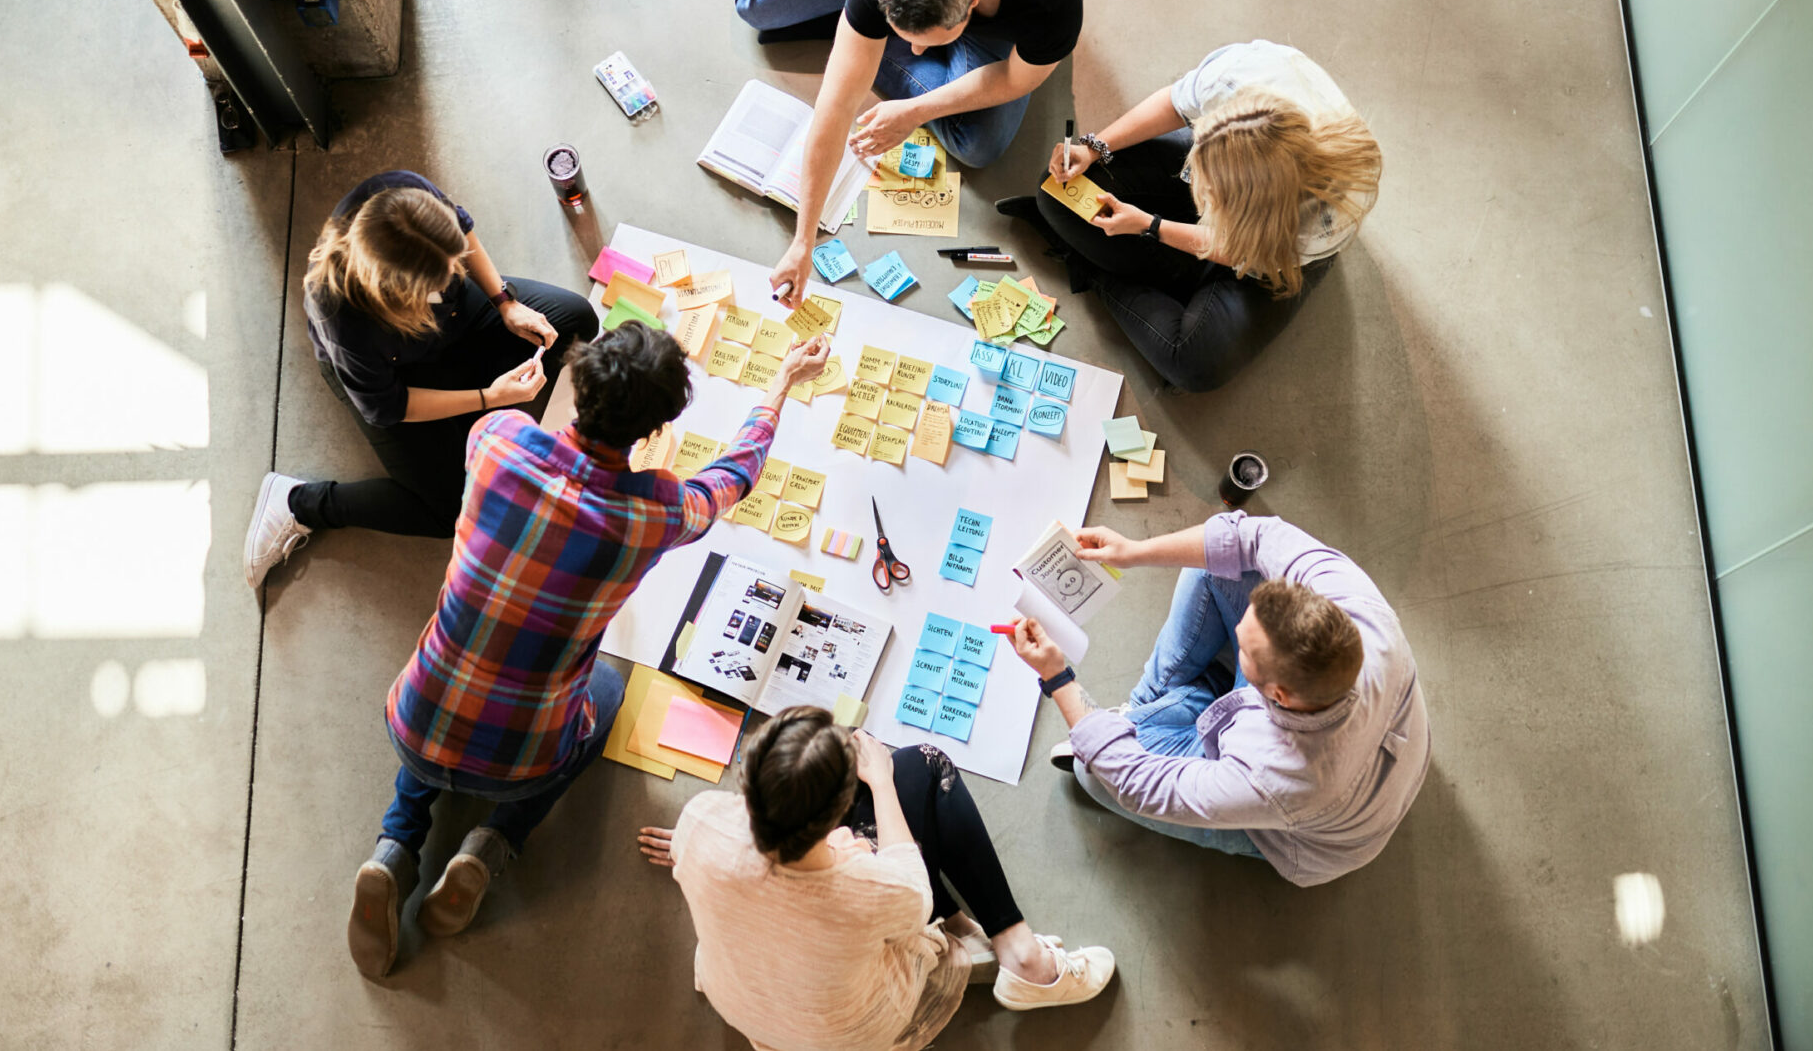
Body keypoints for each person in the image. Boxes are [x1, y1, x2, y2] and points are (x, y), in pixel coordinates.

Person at [346, 326, 832, 979]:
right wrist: (778, 386)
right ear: (656, 429)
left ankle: (393, 847)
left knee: (458, 690)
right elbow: (731, 480)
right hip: (522, 758)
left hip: (413, 715)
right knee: (606, 689)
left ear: (580, 383)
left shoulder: (497, 442)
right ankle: (490, 845)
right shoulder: (650, 514)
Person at [732, 0, 1085, 308]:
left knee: (979, 144)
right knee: (758, 1)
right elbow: (835, 107)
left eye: (925, 42)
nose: (914, 51)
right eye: (902, 34)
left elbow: (1015, 78)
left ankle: (843, 31)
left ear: (972, 11)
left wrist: (915, 110)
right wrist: (803, 240)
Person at [638, 710, 1114, 1048]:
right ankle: (1022, 957)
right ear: (834, 821)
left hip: (744, 1002)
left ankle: (981, 937)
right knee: (924, 763)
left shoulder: (700, 820)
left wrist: (694, 839)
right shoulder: (876, 886)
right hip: (853, 1030)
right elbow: (908, 882)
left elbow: (726, 832)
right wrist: (881, 780)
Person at [1009, 509, 1429, 886]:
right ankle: (1159, 711)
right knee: (1214, 568)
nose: (1240, 635)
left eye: (1244, 651)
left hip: (1307, 825)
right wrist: (1133, 551)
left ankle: (1157, 711)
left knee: (1093, 772)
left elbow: (1138, 785)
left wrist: (1057, 676)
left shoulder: (1280, 776)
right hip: (1369, 741)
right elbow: (1252, 535)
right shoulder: (1353, 604)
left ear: (1278, 694)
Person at [242, 170, 599, 586]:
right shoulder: (342, 316)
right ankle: (299, 503)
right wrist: (489, 397)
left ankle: (461, 419)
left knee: (576, 319)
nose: (455, 270)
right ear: (403, 289)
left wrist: (503, 301)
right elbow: (390, 407)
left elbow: (464, 239)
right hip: (397, 374)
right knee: (449, 509)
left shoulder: (402, 195)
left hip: (451, 319)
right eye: (444, 271)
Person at [998, 39, 1381, 392]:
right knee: (1055, 194)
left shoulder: (1322, 220)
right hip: (1236, 170)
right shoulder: (1237, 77)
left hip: (1270, 254)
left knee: (1193, 364)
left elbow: (1236, 250)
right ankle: (1173, 281)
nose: (1199, 195)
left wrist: (1152, 226)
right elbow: (1175, 105)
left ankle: (1090, 267)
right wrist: (1096, 147)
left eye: (1209, 194)